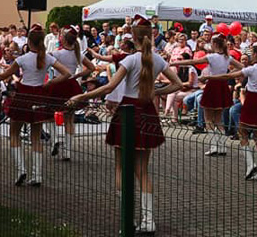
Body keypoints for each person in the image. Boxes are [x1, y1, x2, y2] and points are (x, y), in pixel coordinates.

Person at [67, 15, 182, 235]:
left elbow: (109, 87)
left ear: (133, 37)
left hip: (127, 111)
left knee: (121, 166)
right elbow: (177, 83)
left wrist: (82, 97)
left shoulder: (129, 60)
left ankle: (126, 216)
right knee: (143, 171)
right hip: (147, 110)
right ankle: (149, 220)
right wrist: (155, 92)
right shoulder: (158, 59)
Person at [0, 25, 71, 187]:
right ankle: (37, 175)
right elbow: (67, 73)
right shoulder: (47, 58)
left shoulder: (22, 59)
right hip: (39, 94)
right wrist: (49, 83)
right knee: (36, 136)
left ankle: (21, 169)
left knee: (14, 132)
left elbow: (4, 75)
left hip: (24, 95)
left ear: (28, 41)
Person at [203, 44, 257, 181]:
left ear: (255, 55)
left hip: (251, 100)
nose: (250, 55)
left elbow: (229, 75)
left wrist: (209, 78)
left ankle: (250, 164)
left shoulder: (251, 69)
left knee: (243, 132)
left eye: (252, 53)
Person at [172, 33, 241, 156]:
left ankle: (214, 146)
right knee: (218, 119)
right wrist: (229, 74)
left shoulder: (211, 57)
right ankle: (222, 146)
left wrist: (173, 63)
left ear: (215, 44)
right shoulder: (227, 57)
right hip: (222, 85)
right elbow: (242, 67)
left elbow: (194, 61)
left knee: (208, 118)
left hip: (212, 85)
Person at [47, 27, 95, 161]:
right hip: (71, 84)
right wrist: (78, 74)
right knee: (69, 118)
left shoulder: (56, 54)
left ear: (63, 39)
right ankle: (67, 151)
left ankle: (55, 139)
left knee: (50, 113)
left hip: (57, 83)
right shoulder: (78, 54)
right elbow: (92, 67)